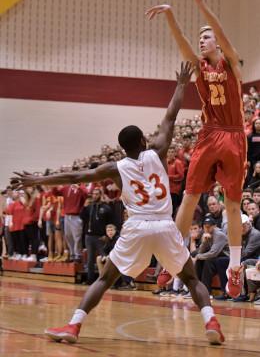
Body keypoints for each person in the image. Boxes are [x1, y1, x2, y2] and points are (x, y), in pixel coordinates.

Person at [10, 62, 224, 346]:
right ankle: (211, 321)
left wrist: (37, 179)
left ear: (123, 147)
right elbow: (170, 117)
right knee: (192, 278)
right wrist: (181, 84)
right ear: (144, 141)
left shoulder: (115, 167)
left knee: (104, 278)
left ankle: (73, 326)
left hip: (136, 226)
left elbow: (75, 175)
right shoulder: (157, 152)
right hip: (164, 225)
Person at [146, 0, 246, 298]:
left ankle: (235, 268)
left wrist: (202, 7)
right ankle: (173, 261)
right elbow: (181, 42)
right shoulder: (199, 67)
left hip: (233, 136)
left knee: (232, 206)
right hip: (209, 133)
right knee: (189, 197)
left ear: (217, 41)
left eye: (207, 37)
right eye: (201, 37)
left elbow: (222, 34)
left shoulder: (231, 62)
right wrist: (172, 14)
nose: (202, 41)